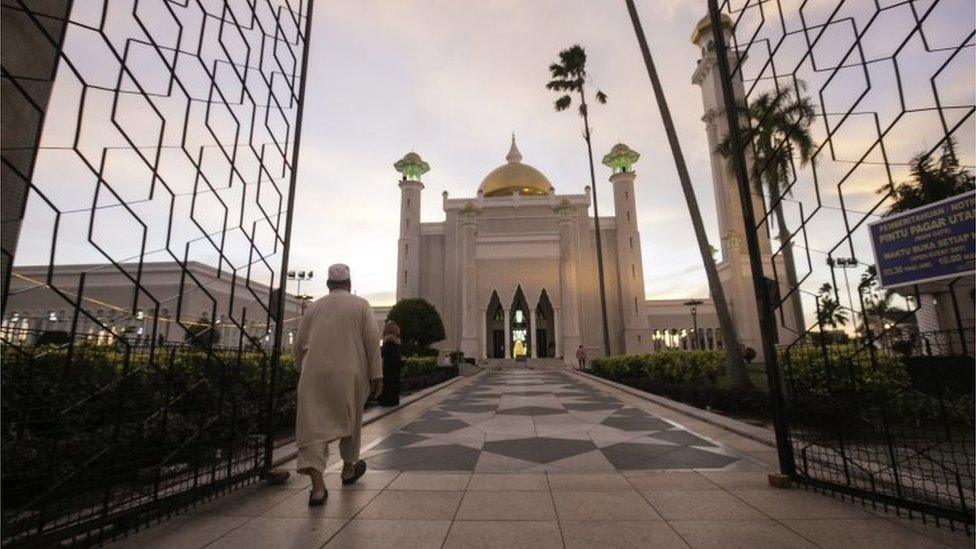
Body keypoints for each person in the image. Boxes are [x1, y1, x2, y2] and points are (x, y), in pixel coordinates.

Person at [294, 263, 382, 506]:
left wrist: (301, 370)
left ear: (328, 284)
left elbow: (298, 345)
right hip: (349, 373)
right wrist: (377, 376)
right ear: (349, 283)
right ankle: (348, 469)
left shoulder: (313, 308)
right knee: (350, 421)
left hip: (315, 373)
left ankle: (318, 488)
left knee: (312, 427)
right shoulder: (360, 305)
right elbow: (372, 341)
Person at [379, 320, 402, 407]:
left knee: (388, 383)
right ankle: (395, 400)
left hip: (388, 365)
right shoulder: (397, 342)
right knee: (395, 382)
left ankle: (387, 401)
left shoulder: (388, 341)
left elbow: (382, 353)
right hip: (396, 364)